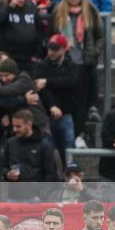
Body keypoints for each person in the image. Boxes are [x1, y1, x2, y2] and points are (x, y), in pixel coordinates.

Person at [52, 0, 105, 127]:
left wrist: (94, 52)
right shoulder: (58, 11)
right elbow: (50, 33)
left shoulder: (91, 11)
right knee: (67, 98)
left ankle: (79, 133)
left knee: (82, 99)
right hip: (66, 62)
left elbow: (100, 36)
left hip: (84, 61)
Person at [33, 34, 81, 167]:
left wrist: (48, 81)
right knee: (47, 153)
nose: (51, 52)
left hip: (66, 114)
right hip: (47, 116)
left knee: (69, 151)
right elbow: (41, 89)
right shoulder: (42, 65)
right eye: (50, 49)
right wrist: (52, 105)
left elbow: (71, 82)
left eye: (55, 49)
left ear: (64, 49)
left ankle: (71, 180)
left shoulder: (71, 65)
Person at [0, 57, 51, 138]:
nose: (4, 79)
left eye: (7, 75)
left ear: (15, 73)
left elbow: (7, 91)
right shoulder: (6, 83)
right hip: (22, 127)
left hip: (37, 125)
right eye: (1, 76)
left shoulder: (24, 79)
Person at [4, 109, 60, 200]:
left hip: (35, 198)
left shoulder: (44, 145)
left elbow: (51, 174)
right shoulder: (10, 143)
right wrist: (7, 174)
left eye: (18, 126)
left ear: (29, 124)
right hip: (13, 197)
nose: (14, 130)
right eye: (13, 126)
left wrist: (41, 195)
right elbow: (3, 166)